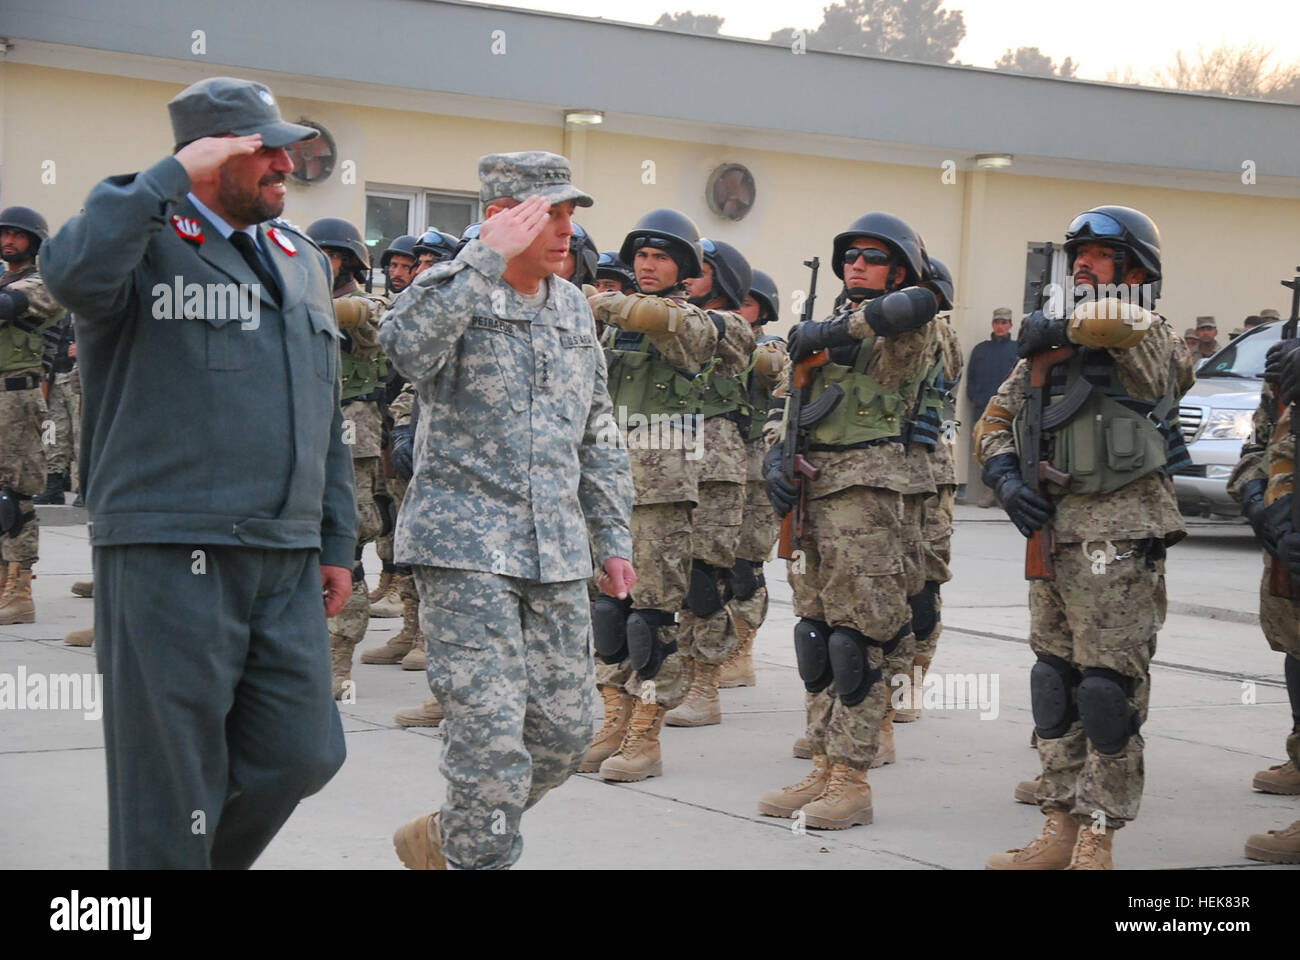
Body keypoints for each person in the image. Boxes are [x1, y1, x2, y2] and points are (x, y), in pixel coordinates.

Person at [40, 76, 355, 869]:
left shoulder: (301, 258)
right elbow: (71, 277)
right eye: (265, 149)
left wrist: (336, 539)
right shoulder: (143, 232)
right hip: (169, 548)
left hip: (282, 554)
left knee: (303, 753)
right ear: (210, 156)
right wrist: (165, 177)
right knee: (168, 784)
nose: (287, 162)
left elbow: (322, 410)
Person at [382, 152, 635, 870]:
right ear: (500, 217)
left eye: (570, 214)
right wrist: (477, 261)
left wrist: (612, 534)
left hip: (555, 553)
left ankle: (447, 838)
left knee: (558, 740)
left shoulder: (573, 306)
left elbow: (598, 432)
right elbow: (402, 349)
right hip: (463, 550)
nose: (566, 230)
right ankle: (475, 856)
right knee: (491, 745)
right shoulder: (453, 289)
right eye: (548, 213)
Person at [975, 204, 1194, 869]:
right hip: (1053, 532)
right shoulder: (1048, 352)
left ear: (1135, 269)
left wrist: (1057, 322)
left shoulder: (1150, 335)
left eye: (1097, 257)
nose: (1081, 266)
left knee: (1107, 692)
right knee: (1056, 685)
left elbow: (1126, 329)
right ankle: (1059, 821)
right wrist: (1006, 476)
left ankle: (1098, 836)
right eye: (1076, 258)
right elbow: (994, 418)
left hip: (1121, 538)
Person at [756, 211, 939, 829]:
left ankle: (853, 779)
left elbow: (915, 307)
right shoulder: (819, 335)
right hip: (809, 493)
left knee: (860, 638)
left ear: (900, 267)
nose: (856, 265)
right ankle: (825, 763)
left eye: (872, 256)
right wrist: (772, 458)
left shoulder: (905, 324)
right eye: (850, 257)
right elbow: (784, 402)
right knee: (817, 637)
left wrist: (829, 330)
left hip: (869, 494)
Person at [581, 208, 722, 781]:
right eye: (640, 255)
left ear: (684, 267)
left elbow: (655, 318)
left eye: (661, 256)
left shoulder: (690, 322)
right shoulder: (612, 326)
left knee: (650, 617)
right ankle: (613, 717)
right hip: (607, 483)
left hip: (662, 490)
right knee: (608, 612)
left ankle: (646, 733)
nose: (647, 264)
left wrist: (591, 299)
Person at [663, 238, 756, 726]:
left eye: (696, 270)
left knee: (706, 580)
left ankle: (707, 686)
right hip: (669, 465)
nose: (686, 275)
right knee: (672, 579)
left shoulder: (730, 325)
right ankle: (677, 677)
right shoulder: (671, 318)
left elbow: (698, 332)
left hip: (715, 467)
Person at [307, 217, 391, 698]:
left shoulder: (367, 305)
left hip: (352, 431)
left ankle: (339, 657)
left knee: (347, 546)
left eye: (332, 256)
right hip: (304, 428)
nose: (322, 264)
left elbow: (359, 314)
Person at [1233, 334, 1300, 863]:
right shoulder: (1286, 371)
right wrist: (1260, 502)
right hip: (1287, 537)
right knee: (1296, 649)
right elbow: (1257, 446)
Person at [895, 253, 963, 723]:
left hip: (931, 472)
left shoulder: (939, 334)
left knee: (924, 579)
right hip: (879, 471)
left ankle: (914, 676)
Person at [0, 205, 64, 625]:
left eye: (18, 235)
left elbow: (8, 306)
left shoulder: (48, 282)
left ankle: (19, 589)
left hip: (18, 400)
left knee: (15, 496)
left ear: (35, 241)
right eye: (4, 234)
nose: (8, 241)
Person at [722, 269, 785, 688]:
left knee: (745, 568)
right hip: (717, 473)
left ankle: (741, 652)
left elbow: (771, 365)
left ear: (761, 311)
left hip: (756, 475)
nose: (736, 313)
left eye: (744, 304)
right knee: (711, 571)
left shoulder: (770, 347)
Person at [965, 307, 1017, 507]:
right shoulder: (981, 350)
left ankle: (1007, 492)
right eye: (997, 322)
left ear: (1010, 325)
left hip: (1009, 410)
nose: (1000, 326)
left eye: (1004, 322)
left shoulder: (1018, 349)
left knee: (1009, 451)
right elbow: (971, 378)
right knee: (984, 450)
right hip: (983, 409)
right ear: (993, 324)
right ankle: (988, 492)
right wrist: (976, 398)